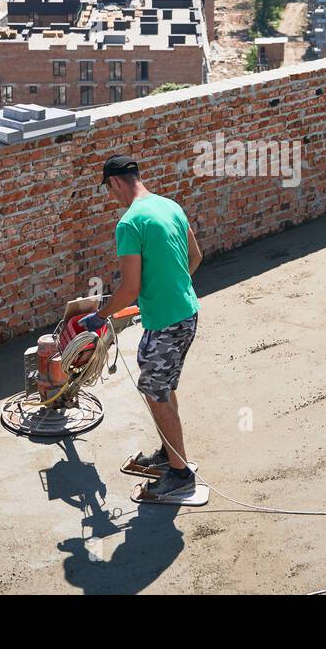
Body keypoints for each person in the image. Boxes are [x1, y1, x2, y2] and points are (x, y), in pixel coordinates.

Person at [84, 155, 203, 499]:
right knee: (163, 388)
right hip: (187, 313)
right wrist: (172, 288)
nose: (112, 197)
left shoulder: (129, 223)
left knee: (155, 394)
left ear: (115, 183)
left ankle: (180, 477)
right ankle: (170, 455)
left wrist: (101, 315)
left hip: (165, 323)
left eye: (109, 190)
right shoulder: (170, 206)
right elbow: (195, 256)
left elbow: (129, 289)